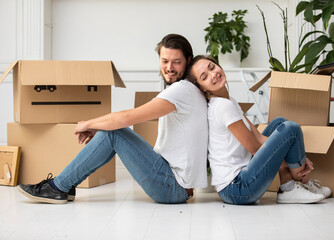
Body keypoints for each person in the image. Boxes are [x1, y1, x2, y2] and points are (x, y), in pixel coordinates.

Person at [17, 34, 209, 204]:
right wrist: (99, 127)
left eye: (176, 62)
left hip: (171, 187)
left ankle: (58, 187)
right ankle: (63, 186)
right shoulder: (186, 90)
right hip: (175, 184)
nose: (169, 68)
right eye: (165, 61)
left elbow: (126, 118)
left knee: (114, 133)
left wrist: (88, 124)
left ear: (188, 61)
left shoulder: (182, 90)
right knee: (111, 132)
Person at [186, 55, 331, 204]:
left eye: (212, 67)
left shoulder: (229, 101)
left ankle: (289, 188)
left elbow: (258, 137)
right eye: (205, 77)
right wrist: (297, 160)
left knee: (279, 123)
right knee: (291, 129)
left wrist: (296, 158)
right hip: (237, 188)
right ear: (202, 87)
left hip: (243, 177)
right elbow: (255, 148)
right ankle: (300, 180)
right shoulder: (223, 107)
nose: (213, 74)